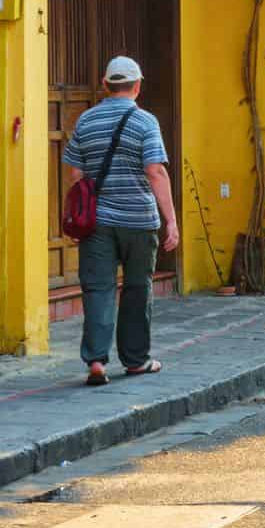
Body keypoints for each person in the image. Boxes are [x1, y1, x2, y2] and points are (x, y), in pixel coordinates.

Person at [62, 56, 180, 387]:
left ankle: (96, 361)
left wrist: (79, 215)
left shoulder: (86, 121)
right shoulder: (146, 122)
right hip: (139, 221)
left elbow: (75, 173)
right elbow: (155, 171)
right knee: (137, 288)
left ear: (105, 85)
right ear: (137, 86)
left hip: (97, 222)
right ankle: (136, 361)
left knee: (98, 288)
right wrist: (171, 221)